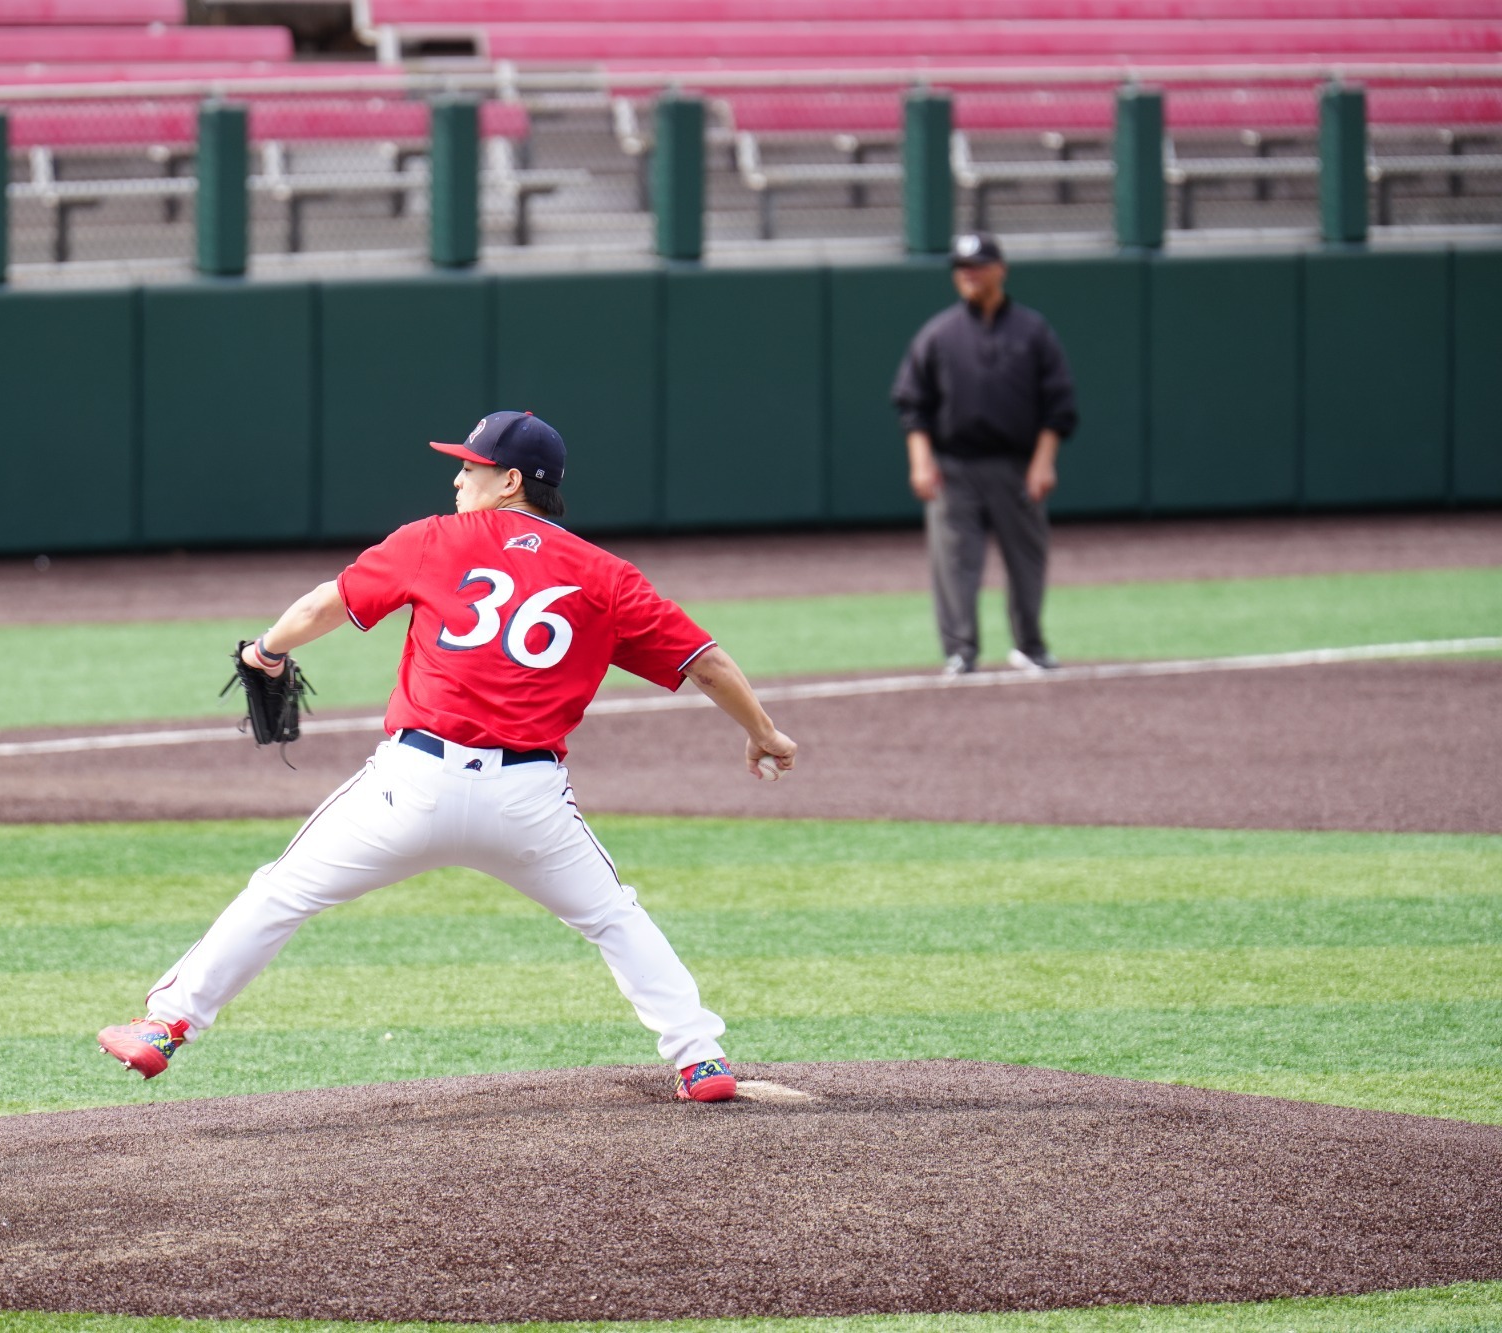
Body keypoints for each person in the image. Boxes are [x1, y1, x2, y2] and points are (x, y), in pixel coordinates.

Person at [97, 411, 799, 1104]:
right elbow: (704, 662)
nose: (458, 478)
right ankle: (699, 1056)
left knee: (280, 891)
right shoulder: (607, 576)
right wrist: (762, 731)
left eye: (471, 466)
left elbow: (324, 604)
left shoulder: (436, 540)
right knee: (615, 917)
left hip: (414, 785)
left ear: (510, 481)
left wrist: (266, 649)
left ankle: (165, 1025)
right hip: (528, 802)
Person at [892, 231, 1078, 677]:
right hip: (954, 467)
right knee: (955, 563)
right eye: (962, 268)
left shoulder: (1032, 331)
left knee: (1027, 560)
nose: (969, 275)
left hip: (1016, 466)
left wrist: (1043, 460)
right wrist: (921, 461)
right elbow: (912, 405)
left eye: (977, 266)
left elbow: (1059, 406)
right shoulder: (939, 333)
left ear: (1001, 269)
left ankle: (1030, 645)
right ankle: (960, 651)